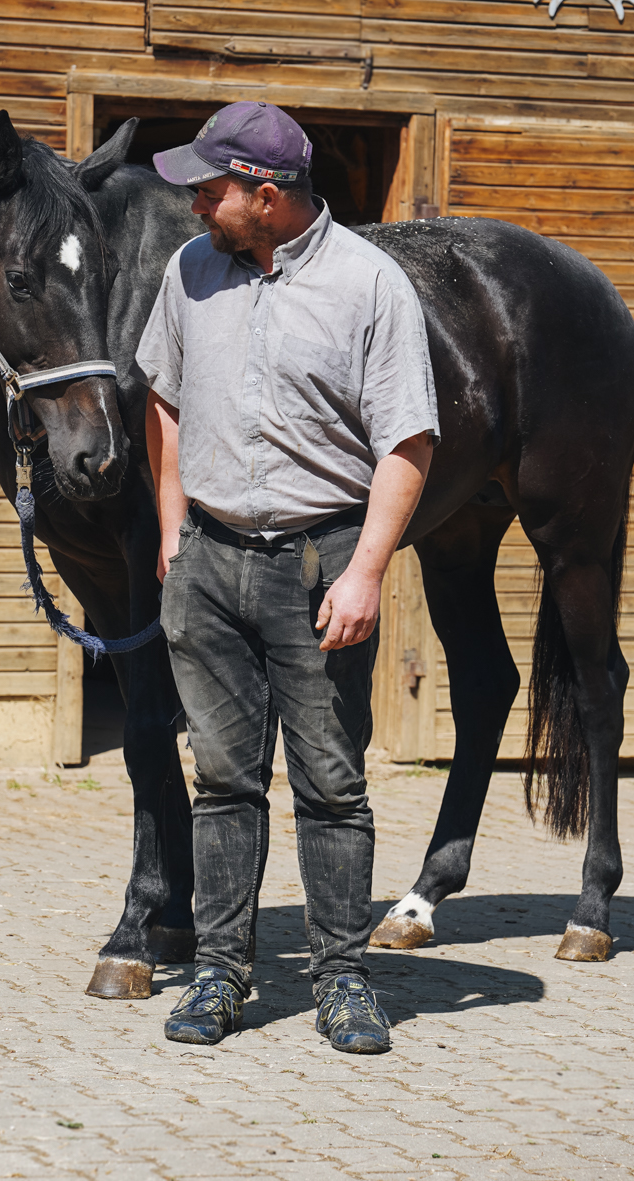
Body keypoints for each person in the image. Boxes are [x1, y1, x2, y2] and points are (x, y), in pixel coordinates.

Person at [135, 101, 437, 1055]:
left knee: (332, 783)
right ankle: (223, 974)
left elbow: (408, 442)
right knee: (223, 778)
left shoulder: (370, 286)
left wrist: (366, 571)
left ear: (265, 198)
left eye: (210, 190)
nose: (193, 205)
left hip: (321, 565)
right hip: (210, 563)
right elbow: (165, 396)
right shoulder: (190, 272)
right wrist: (173, 523)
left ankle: (342, 976)